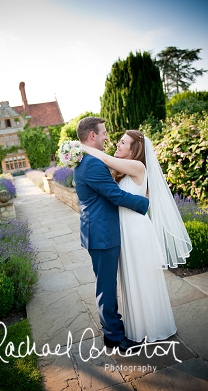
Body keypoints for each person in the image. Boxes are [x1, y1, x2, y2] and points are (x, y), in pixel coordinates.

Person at [80, 129, 192, 343]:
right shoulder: (123, 170)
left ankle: (152, 327)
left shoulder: (137, 166)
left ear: (134, 150)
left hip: (137, 231)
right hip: (124, 231)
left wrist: (80, 148)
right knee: (130, 280)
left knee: (141, 279)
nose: (118, 145)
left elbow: (104, 157)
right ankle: (138, 327)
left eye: (123, 143)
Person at [73, 117, 149, 351]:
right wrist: (145, 203)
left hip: (96, 231)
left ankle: (113, 326)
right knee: (106, 286)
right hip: (102, 233)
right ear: (92, 136)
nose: (107, 137)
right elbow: (115, 195)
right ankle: (113, 336)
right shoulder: (93, 164)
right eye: (104, 133)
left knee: (105, 283)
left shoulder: (84, 160)